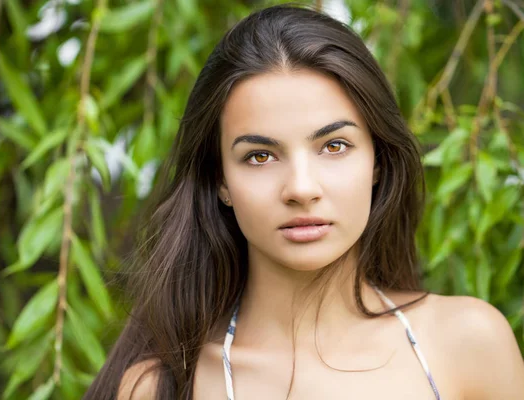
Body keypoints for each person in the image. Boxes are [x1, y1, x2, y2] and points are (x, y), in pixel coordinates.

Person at [84, 4, 524, 399]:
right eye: (259, 156)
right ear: (221, 180)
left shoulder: (468, 344)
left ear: (378, 161)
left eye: (334, 146)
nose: (301, 187)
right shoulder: (165, 386)